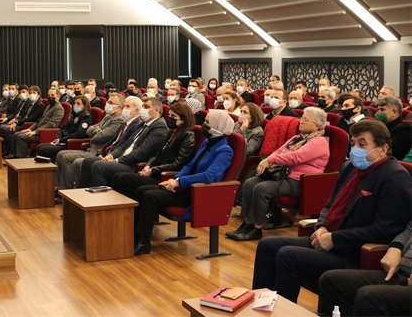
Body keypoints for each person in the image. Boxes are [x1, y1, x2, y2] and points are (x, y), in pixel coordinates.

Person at [251, 119, 412, 303]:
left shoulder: (395, 177)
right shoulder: (350, 166)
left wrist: (335, 239)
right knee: (267, 246)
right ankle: (259, 307)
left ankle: (281, 313)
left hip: (354, 251)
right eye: (353, 143)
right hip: (328, 237)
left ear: (383, 149)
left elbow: (385, 230)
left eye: (362, 144)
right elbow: (329, 204)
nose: (355, 149)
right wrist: (320, 227)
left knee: (289, 256)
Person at [131, 110, 235, 255]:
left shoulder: (224, 150)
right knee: (142, 190)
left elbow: (209, 176)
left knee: (149, 196)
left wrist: (180, 181)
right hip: (184, 186)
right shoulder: (207, 142)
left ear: (218, 127)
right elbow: (189, 165)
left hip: (197, 192)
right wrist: (174, 180)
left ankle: (143, 242)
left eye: (207, 122)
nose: (203, 125)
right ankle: (135, 235)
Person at [229, 108, 330, 241]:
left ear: (317, 125)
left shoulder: (319, 142)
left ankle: (256, 228)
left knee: (261, 189)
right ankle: (247, 224)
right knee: (250, 183)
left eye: (306, 120)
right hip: (283, 176)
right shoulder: (297, 138)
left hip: (300, 182)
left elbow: (295, 157)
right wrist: (268, 159)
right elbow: (279, 151)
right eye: (302, 118)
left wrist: (270, 160)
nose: (301, 121)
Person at [318, 221, 412, 317]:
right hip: (400, 274)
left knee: (368, 296)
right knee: (331, 280)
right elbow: (410, 228)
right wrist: (396, 246)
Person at [111, 102, 196, 203]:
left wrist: (152, 170)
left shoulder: (187, 136)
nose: (170, 118)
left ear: (183, 119)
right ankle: (124, 211)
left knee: (123, 179)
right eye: (169, 115)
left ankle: (130, 213)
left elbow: (178, 163)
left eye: (173, 116)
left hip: (164, 175)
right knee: (119, 177)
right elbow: (157, 154)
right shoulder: (172, 132)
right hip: (155, 171)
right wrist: (148, 165)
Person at [78, 97, 167, 187]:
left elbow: (141, 152)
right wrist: (110, 156)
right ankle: (81, 195)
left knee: (99, 166)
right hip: (122, 159)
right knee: (89, 161)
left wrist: (117, 160)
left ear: (156, 110)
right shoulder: (143, 124)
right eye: (143, 106)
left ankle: (99, 199)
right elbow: (125, 144)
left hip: (132, 164)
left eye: (146, 107)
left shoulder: (159, 127)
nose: (143, 109)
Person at [54, 93, 125, 195]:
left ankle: (68, 191)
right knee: (61, 154)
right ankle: (61, 188)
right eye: (108, 102)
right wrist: (97, 130)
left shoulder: (119, 120)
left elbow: (100, 136)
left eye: (110, 102)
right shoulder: (108, 117)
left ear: (119, 106)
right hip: (90, 147)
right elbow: (89, 129)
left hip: (97, 151)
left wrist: (97, 131)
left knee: (67, 158)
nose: (107, 104)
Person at [3, 88, 64, 159]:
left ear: (58, 97)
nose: (50, 97)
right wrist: (29, 129)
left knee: (21, 137)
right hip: (38, 131)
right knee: (17, 134)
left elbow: (52, 124)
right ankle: (13, 156)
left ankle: (22, 160)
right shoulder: (48, 107)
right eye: (49, 95)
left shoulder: (59, 108)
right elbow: (39, 121)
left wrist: (35, 131)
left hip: (44, 133)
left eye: (52, 95)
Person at [35, 95, 92, 160]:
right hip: (63, 141)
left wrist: (62, 140)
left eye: (78, 104)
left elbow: (79, 133)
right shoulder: (73, 116)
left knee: (44, 150)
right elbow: (62, 128)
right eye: (74, 103)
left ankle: (52, 169)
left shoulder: (86, 118)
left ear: (84, 106)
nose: (75, 105)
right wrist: (58, 138)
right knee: (39, 147)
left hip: (71, 143)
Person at [0, 85, 45, 150]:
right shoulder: (30, 103)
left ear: (39, 95)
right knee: (3, 127)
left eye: (34, 93)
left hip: (28, 124)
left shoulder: (40, 105)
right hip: (23, 122)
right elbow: (22, 115)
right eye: (30, 93)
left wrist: (17, 122)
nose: (32, 95)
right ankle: (7, 150)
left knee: (8, 130)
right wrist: (16, 121)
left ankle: (12, 151)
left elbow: (31, 118)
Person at [375, 95, 412, 160]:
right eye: (378, 110)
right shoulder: (380, 127)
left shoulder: (404, 129)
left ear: (394, 112)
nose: (378, 113)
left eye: (382, 109)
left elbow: (386, 152)